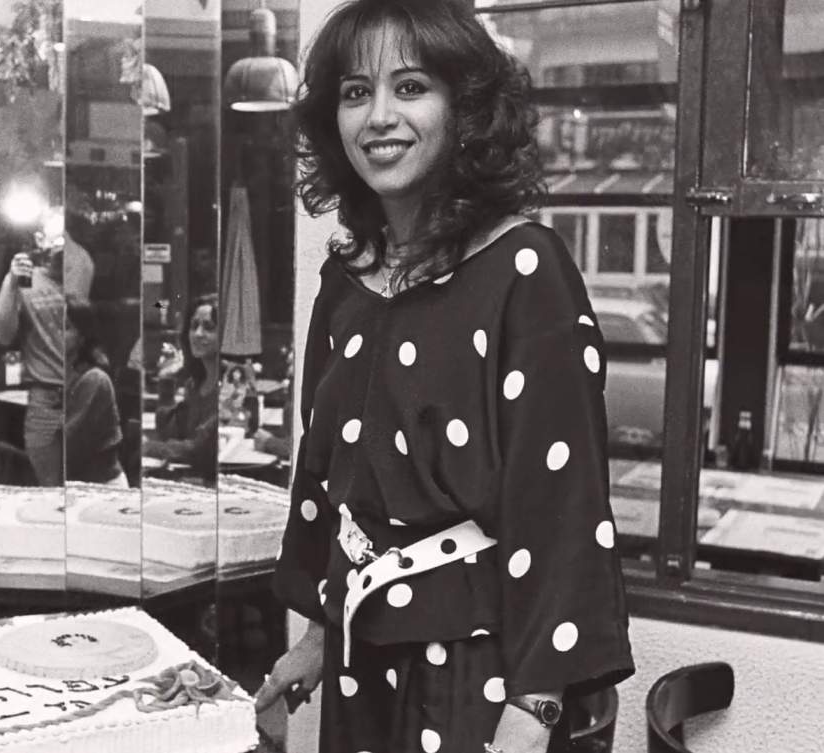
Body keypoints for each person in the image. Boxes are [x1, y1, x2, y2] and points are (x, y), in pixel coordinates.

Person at [253, 3, 635, 753]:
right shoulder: (346, 280)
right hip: (362, 654)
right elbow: (330, 476)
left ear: (465, 108)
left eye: (410, 87)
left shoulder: (526, 271)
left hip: (478, 671)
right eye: (355, 92)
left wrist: (535, 706)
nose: (379, 117)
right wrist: (318, 635)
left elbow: (563, 505)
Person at [0, 212, 69, 485]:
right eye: (57, 237)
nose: (62, 245)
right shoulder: (26, 279)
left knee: (87, 487)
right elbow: (3, 335)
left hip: (84, 392)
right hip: (44, 399)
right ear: (40, 240)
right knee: (48, 487)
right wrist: (11, 281)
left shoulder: (84, 275)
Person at [144, 294, 220, 483]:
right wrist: (166, 380)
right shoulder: (194, 384)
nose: (198, 334)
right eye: (194, 326)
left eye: (209, 327)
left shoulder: (228, 386)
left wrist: (148, 447)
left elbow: (198, 450)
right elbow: (167, 431)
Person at [64, 299, 126, 485]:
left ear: (82, 336)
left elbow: (69, 445)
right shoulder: (58, 373)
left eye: (65, 328)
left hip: (102, 486)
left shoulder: (95, 379)